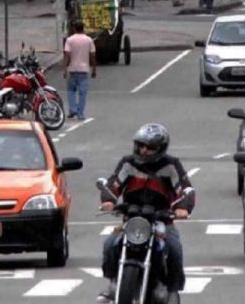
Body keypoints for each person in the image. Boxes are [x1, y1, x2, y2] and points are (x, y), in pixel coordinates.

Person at [98, 123, 195, 303]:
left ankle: (172, 291)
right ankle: (112, 284)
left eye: (149, 147)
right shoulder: (128, 163)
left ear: (160, 148)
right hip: (132, 220)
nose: (143, 150)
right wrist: (109, 200)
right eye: (140, 145)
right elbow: (113, 184)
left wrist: (183, 207)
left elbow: (185, 188)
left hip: (161, 221)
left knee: (174, 248)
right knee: (110, 244)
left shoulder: (171, 165)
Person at [63, 20, 96, 120]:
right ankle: (80, 112)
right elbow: (93, 55)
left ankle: (72, 109)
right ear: (83, 28)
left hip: (72, 69)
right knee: (82, 93)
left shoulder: (70, 40)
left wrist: (65, 68)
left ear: (74, 28)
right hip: (84, 70)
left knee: (70, 91)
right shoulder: (89, 40)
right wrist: (94, 69)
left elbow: (67, 55)